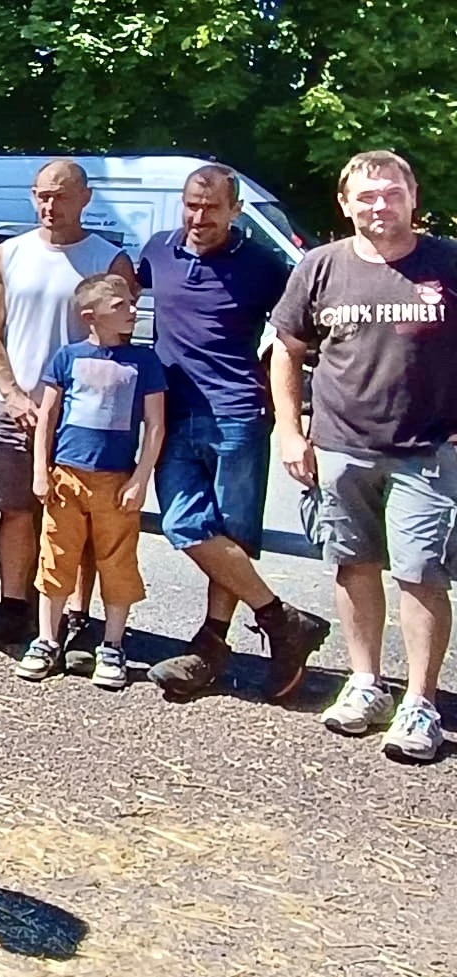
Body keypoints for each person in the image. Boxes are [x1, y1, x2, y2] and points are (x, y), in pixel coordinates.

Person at [271, 150, 457, 763]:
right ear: (346, 205)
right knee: (353, 566)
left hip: (426, 452)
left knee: (421, 573)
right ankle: (366, 684)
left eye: (391, 193)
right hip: (339, 448)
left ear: (412, 196)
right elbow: (287, 352)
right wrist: (290, 432)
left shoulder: (448, 264)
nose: (380, 205)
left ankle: (420, 704)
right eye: (367, 196)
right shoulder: (321, 267)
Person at [141, 166, 329, 701]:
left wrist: (289, 394)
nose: (200, 218)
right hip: (174, 412)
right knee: (185, 523)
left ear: (235, 210)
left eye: (212, 208)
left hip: (238, 415)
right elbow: (111, 298)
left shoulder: (263, 264)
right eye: (191, 206)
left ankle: (211, 647)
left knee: (233, 532)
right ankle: (281, 618)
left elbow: (299, 334)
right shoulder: (158, 251)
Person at [0, 160, 133, 653]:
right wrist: (13, 394)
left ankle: (76, 619)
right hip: (12, 407)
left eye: (59, 195)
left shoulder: (109, 261)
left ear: (85, 198)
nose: (48, 206)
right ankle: (13, 607)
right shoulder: (6, 255)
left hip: (84, 418)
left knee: (78, 518)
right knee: (13, 511)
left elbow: (119, 338)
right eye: (40, 195)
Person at [17, 274, 165, 690]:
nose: (132, 311)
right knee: (57, 557)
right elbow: (47, 417)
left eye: (132, 304)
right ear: (90, 316)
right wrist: (40, 471)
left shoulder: (145, 362)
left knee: (116, 561)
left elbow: (155, 426)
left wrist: (140, 478)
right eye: (120, 306)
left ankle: (113, 644)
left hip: (116, 482)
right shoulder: (67, 358)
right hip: (66, 476)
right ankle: (47, 639)